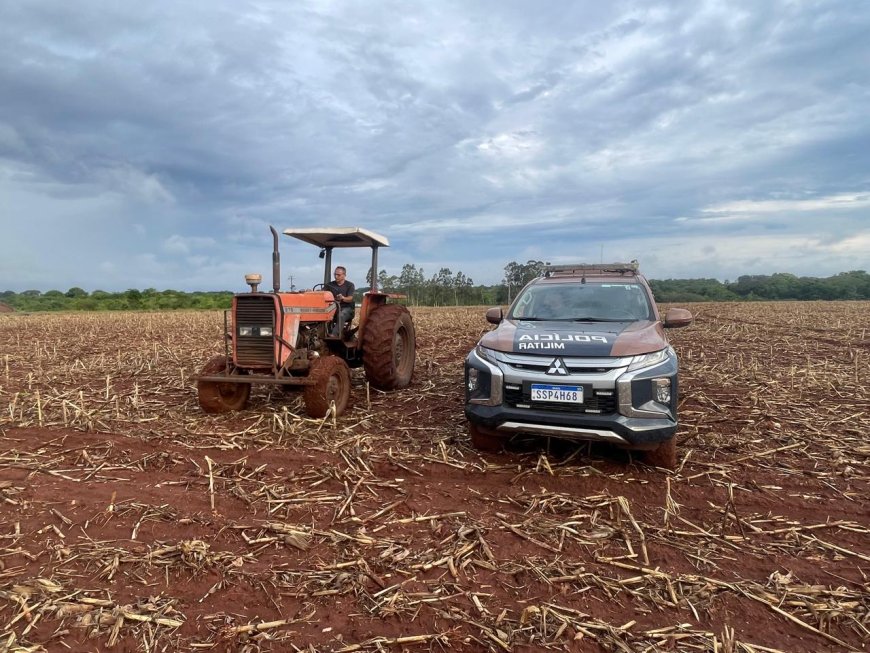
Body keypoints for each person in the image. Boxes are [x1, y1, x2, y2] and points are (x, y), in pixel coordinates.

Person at [325, 266, 355, 335]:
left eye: (338, 275)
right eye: (335, 274)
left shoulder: (350, 285)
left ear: (344, 275)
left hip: (346, 308)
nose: (336, 276)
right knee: (322, 312)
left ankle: (334, 335)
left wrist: (343, 298)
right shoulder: (330, 285)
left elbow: (350, 298)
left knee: (341, 315)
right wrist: (312, 291)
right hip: (333, 307)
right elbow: (322, 292)